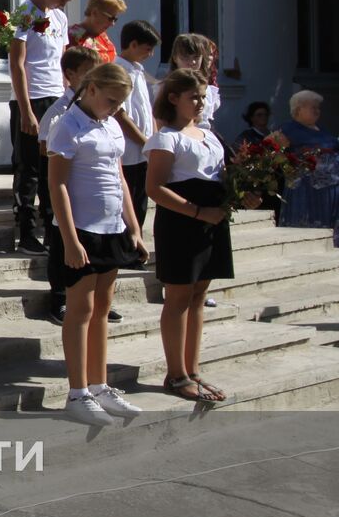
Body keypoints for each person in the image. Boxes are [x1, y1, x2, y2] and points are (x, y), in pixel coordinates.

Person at [45, 63, 149, 426]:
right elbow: (56, 184)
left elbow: (119, 177)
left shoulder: (109, 124)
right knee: (81, 310)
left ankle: (99, 384)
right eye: (111, 100)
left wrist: (134, 228)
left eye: (121, 103)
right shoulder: (67, 126)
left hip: (112, 227)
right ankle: (77, 393)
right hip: (81, 230)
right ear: (91, 90)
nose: (116, 108)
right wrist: (70, 239)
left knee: (103, 307)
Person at [146, 69, 256, 405]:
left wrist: (242, 197)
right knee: (178, 297)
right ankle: (176, 373)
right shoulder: (167, 138)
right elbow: (155, 188)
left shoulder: (210, 137)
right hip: (182, 222)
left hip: (212, 220)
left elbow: (220, 179)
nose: (199, 103)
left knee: (198, 296)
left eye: (203, 97)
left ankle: (192, 370)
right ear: (174, 98)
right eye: (194, 96)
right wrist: (197, 212)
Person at [9, 0, 80, 256]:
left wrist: (69, 97)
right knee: (29, 167)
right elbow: (17, 62)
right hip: (32, 98)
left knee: (54, 165)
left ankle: (53, 229)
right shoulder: (25, 13)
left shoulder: (60, 17)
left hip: (56, 98)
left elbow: (63, 62)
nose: (63, 5)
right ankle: (26, 231)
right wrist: (26, 110)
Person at [38, 45, 102, 324]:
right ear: (70, 75)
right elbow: (45, 146)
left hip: (89, 190)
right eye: (89, 73)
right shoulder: (60, 109)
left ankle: (94, 300)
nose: (94, 78)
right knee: (61, 243)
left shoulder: (96, 108)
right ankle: (59, 299)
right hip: (65, 182)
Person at [115, 19, 161, 231]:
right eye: (147, 49)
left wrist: (155, 139)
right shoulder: (118, 71)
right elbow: (121, 115)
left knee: (141, 202)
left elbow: (147, 110)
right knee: (129, 203)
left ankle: (136, 248)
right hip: (130, 151)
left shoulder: (139, 71)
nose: (150, 54)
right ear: (132, 44)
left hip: (144, 150)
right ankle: (128, 247)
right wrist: (145, 143)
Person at [276, 89, 339, 235]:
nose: (317, 111)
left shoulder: (322, 130)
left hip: (330, 191)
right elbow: (269, 152)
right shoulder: (288, 129)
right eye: (313, 107)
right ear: (298, 109)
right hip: (306, 192)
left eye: (318, 107)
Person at [168, 33, 221, 132]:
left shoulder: (207, 88)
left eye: (196, 57)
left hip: (203, 135)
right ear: (175, 58)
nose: (192, 62)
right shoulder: (166, 87)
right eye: (185, 57)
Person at [67, 0, 125, 64]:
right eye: (110, 18)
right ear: (94, 13)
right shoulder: (73, 34)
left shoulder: (102, 36)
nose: (112, 24)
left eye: (115, 19)